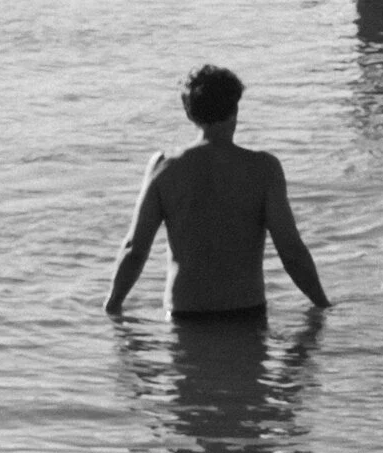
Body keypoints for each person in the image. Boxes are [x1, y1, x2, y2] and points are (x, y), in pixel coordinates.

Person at [104, 65, 332, 318]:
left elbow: (135, 249)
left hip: (185, 313)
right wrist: (322, 305)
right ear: (235, 109)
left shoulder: (165, 168)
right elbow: (290, 251)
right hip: (246, 312)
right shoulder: (263, 169)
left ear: (188, 113)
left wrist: (112, 306)